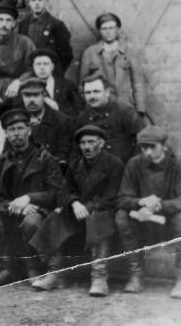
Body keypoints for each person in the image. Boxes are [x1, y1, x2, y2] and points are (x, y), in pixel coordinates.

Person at [29, 125, 124, 297]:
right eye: (83, 143)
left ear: (101, 143)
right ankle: (55, 273)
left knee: (98, 219)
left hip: (103, 211)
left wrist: (87, 207)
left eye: (91, 142)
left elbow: (111, 197)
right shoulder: (75, 164)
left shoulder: (114, 164)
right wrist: (74, 203)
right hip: (79, 211)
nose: (86, 147)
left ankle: (99, 276)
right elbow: (64, 191)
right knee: (55, 218)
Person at [115, 126, 181, 299]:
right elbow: (122, 198)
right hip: (144, 224)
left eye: (152, 147)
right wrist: (140, 202)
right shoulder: (134, 164)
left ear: (164, 146)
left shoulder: (178, 164)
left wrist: (157, 206)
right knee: (121, 216)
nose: (147, 152)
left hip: (170, 224)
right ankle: (136, 275)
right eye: (143, 147)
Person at [0, 109, 66, 288]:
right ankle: (8, 269)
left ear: (29, 130)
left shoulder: (45, 158)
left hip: (41, 211)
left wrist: (29, 197)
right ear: (6, 134)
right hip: (13, 212)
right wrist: (13, 206)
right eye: (11, 130)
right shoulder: (1, 161)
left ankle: (37, 269)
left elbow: (57, 193)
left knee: (31, 221)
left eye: (20, 128)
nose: (16, 133)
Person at [80, 13, 147, 114]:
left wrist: (140, 109)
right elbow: (82, 84)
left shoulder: (129, 51)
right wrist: (90, 106)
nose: (108, 32)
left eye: (111, 28)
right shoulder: (90, 52)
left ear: (117, 29)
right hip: (100, 107)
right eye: (104, 28)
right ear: (99, 31)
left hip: (125, 106)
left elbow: (138, 83)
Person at [76, 74, 146, 163]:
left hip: (124, 166)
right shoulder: (83, 118)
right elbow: (77, 149)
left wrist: (134, 166)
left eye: (96, 91)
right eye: (87, 93)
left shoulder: (125, 112)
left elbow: (142, 142)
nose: (92, 96)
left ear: (107, 92)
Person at [19, 77, 74, 168]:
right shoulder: (18, 121)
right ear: (22, 97)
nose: (31, 100)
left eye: (36, 95)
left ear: (44, 95)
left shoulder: (62, 121)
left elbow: (63, 155)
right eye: (27, 96)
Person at [18, 0, 73, 75]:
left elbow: (66, 55)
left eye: (40, 0)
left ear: (46, 1)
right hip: (29, 72)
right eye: (33, 0)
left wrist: (56, 72)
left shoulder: (57, 25)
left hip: (50, 73)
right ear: (29, 3)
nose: (36, 3)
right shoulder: (23, 24)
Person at [23, 48, 83, 118]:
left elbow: (79, 109)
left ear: (52, 67)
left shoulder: (67, 84)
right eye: (38, 64)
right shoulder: (27, 86)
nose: (42, 67)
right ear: (33, 67)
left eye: (46, 64)